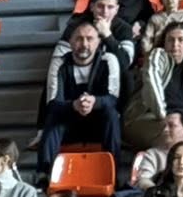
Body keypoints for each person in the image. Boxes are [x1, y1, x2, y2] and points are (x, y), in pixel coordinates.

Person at [40, 21, 122, 176]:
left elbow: (113, 99)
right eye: (79, 38)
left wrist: (95, 102)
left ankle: (112, 174)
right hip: (70, 125)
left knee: (111, 114)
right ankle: (44, 175)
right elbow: (53, 104)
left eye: (90, 39)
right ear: (70, 42)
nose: (84, 44)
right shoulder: (59, 63)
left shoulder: (109, 60)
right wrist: (74, 105)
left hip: (98, 125)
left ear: (98, 42)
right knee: (53, 117)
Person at [127, 25, 183, 154]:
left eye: (181, 40)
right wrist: (164, 116)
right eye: (170, 40)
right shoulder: (158, 55)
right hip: (149, 118)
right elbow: (152, 84)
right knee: (173, 128)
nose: (175, 45)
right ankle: (172, 165)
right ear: (164, 42)